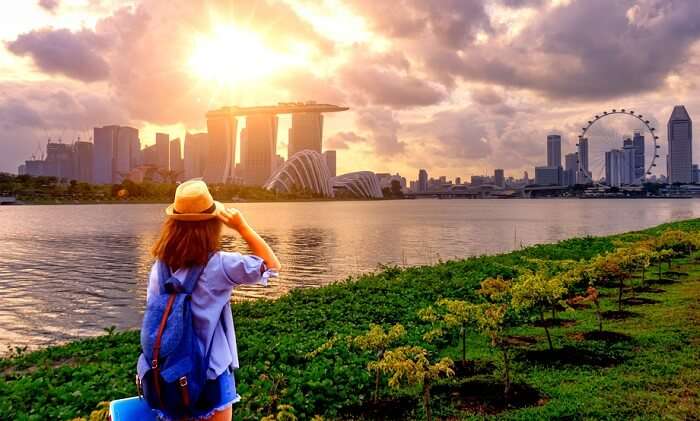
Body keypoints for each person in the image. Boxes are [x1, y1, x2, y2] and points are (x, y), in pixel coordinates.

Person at [137, 179, 281, 420]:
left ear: (172, 224)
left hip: (169, 374)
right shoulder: (221, 264)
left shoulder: (158, 269)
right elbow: (272, 266)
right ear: (213, 223)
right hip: (211, 374)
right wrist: (242, 228)